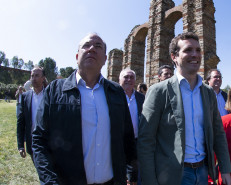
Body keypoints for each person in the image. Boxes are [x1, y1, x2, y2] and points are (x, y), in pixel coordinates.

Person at [32, 33, 137, 185]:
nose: (92, 49)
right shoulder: (54, 91)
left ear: (105, 59)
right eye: (86, 46)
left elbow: (127, 136)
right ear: (77, 56)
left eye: (98, 46)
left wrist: (131, 171)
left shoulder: (116, 92)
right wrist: (49, 181)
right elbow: (39, 139)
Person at [138, 32, 231, 185]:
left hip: (203, 172)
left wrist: (225, 169)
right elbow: (145, 141)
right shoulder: (158, 91)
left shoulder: (207, 92)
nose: (195, 54)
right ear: (174, 56)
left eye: (198, 50)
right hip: (173, 175)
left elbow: (218, 133)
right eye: (188, 50)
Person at [119, 68, 145, 185]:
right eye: (126, 77)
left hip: (135, 140)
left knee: (134, 173)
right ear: (120, 79)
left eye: (131, 77)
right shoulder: (114, 95)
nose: (129, 79)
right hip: (117, 140)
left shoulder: (141, 98)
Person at [17, 67, 46, 162]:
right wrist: (21, 145)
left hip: (47, 143)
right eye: (32, 76)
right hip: (32, 143)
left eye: (37, 76)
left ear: (43, 78)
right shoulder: (25, 97)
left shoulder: (50, 95)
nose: (34, 78)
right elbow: (21, 122)